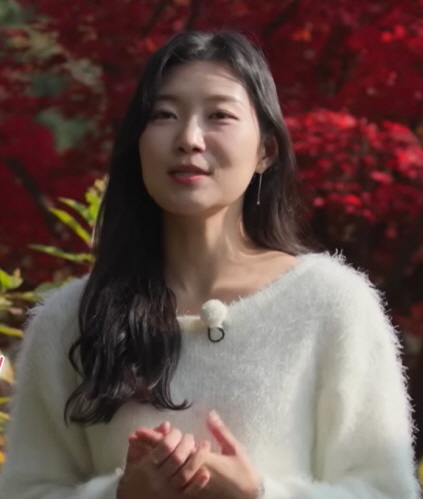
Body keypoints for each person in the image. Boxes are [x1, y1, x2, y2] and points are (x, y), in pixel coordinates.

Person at [0, 30, 420, 499]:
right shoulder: (69, 319)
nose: (188, 139)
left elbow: (388, 491)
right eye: (164, 115)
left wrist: (258, 493)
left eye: (219, 115)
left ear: (266, 150)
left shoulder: (331, 303)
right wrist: (121, 494)